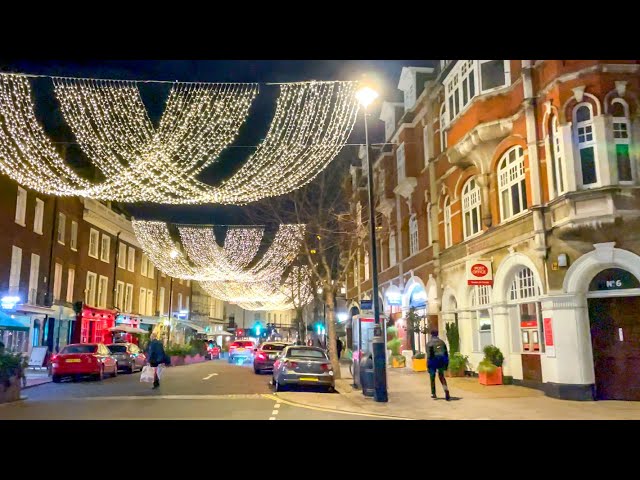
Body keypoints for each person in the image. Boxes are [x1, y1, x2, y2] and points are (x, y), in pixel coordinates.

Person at [426, 329, 451, 401]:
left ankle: (433, 393)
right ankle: (446, 390)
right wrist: (446, 363)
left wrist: (428, 364)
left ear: (431, 334)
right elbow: (446, 353)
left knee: (432, 376)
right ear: (437, 334)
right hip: (441, 360)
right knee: (441, 376)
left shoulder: (429, 343)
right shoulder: (442, 342)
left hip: (433, 361)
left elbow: (429, 355)